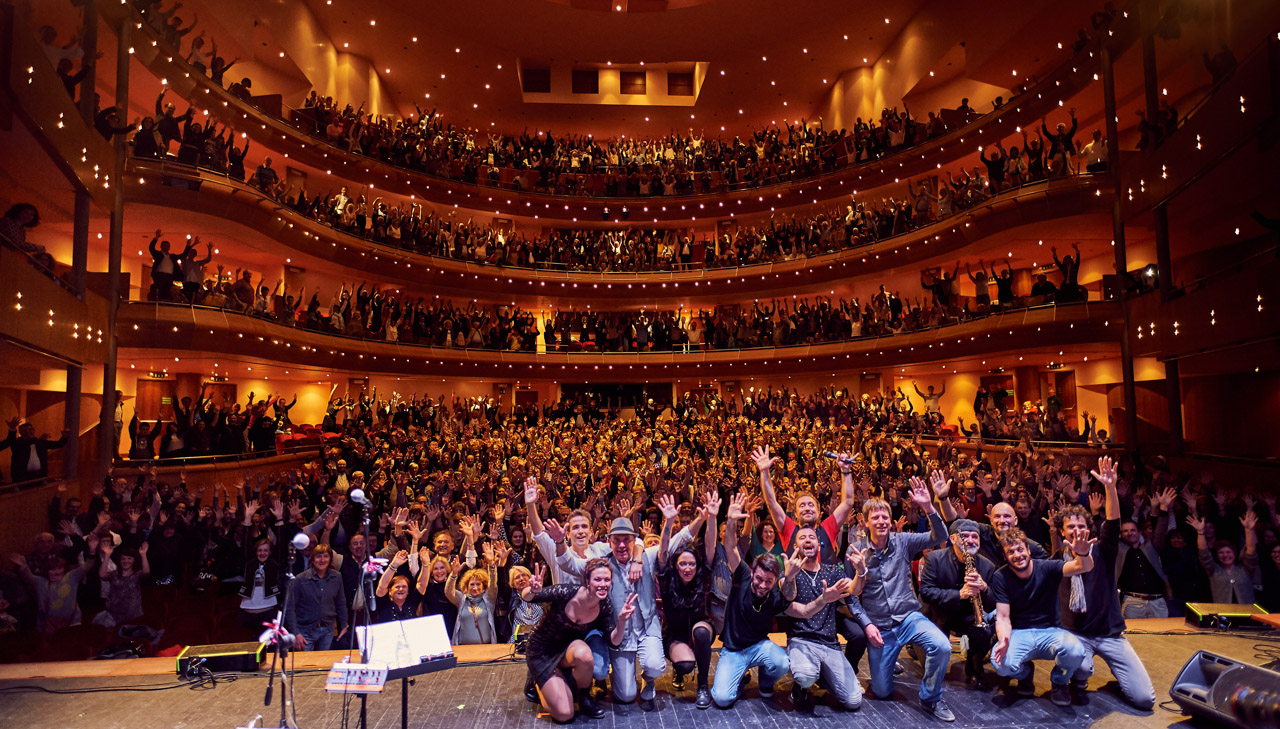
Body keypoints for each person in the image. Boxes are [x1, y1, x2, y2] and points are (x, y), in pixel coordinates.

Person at [558, 494, 696, 711]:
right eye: (617, 540)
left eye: (627, 540)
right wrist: (559, 542)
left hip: (647, 628)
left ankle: (648, 679)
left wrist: (674, 521)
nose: (622, 545)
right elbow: (571, 566)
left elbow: (676, 542)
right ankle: (619, 676)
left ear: (634, 540)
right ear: (609, 542)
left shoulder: (646, 557)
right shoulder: (603, 565)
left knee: (654, 665)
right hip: (620, 635)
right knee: (625, 696)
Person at [1057, 456, 1156, 710]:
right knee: (1081, 666)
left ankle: (1119, 680)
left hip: (1111, 635)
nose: (1076, 531)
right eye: (1070, 527)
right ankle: (1076, 683)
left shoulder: (1104, 550)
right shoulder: (1057, 562)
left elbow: (1112, 521)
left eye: (1081, 526)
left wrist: (1110, 488)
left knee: (1144, 700)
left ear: (1089, 530)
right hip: (1078, 635)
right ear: (1062, 533)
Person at [856, 471, 953, 721]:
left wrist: (929, 507)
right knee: (881, 691)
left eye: (885, 516)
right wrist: (866, 625)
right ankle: (889, 665)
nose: (881, 521)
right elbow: (849, 597)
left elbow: (940, 537)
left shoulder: (903, 541)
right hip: (880, 627)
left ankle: (931, 698)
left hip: (909, 618)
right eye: (875, 517)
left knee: (941, 645)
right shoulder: (856, 550)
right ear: (864, 521)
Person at [709, 492, 798, 709]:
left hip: (759, 646)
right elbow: (730, 547)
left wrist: (794, 578)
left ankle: (766, 685)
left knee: (781, 662)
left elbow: (794, 601)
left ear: (775, 579)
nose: (762, 585)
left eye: (768, 581)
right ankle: (737, 680)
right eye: (759, 578)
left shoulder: (776, 592)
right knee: (722, 699)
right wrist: (731, 520)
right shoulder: (743, 575)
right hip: (733, 649)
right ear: (753, 572)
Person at [990, 526, 1095, 706]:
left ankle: (1059, 682)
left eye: (1020, 549)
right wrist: (1004, 639)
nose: (1017, 555)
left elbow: (1082, 567)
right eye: (1011, 552)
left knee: (1076, 652)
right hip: (1019, 633)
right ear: (1005, 556)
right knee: (1000, 664)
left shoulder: (1047, 567)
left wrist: (1084, 555)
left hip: (1051, 631)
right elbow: (1003, 617)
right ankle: (1025, 674)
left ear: (1028, 550)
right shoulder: (1001, 576)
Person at [521, 559, 638, 722]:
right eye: (598, 579)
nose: (603, 584)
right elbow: (528, 597)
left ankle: (584, 697)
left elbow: (614, 641)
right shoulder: (566, 593)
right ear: (587, 581)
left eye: (607, 579)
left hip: (567, 650)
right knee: (564, 714)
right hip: (541, 651)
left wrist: (622, 622)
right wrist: (532, 590)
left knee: (584, 653)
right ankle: (537, 681)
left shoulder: (604, 605)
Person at [786, 524, 868, 712]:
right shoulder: (791, 571)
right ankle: (803, 683)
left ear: (819, 544)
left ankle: (824, 676)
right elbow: (787, 594)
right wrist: (790, 577)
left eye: (812, 537)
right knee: (806, 676)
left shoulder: (832, 571)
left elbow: (854, 589)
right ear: (795, 546)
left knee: (854, 701)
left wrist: (861, 572)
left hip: (829, 644)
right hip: (801, 640)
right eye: (802, 537)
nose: (808, 539)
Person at [656, 491, 720, 708]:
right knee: (685, 665)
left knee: (701, 632)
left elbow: (710, 546)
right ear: (676, 565)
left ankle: (703, 686)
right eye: (683, 564)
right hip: (674, 634)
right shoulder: (667, 577)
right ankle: (679, 667)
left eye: (691, 564)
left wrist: (711, 518)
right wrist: (668, 522)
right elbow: (663, 551)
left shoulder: (702, 574)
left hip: (699, 627)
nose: (688, 568)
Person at [919, 518, 998, 690]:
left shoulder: (988, 566)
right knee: (933, 661)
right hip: (939, 613)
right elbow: (926, 592)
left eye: (974, 536)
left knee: (984, 632)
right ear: (953, 539)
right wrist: (959, 594)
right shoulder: (934, 559)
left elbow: (993, 603)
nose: (970, 540)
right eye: (965, 536)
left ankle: (974, 665)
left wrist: (984, 588)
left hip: (968, 615)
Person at [285, 543, 347, 651]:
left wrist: (344, 625)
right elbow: (290, 608)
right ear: (312, 559)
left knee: (324, 665)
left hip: (328, 629)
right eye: (318, 557)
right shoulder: (300, 579)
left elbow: (341, 603)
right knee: (306, 666)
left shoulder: (337, 577)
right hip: (305, 631)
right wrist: (296, 633)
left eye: (326, 556)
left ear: (330, 559)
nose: (322, 560)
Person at [1189, 509, 1258, 604]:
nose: (1225, 555)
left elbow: (1251, 550)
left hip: (1248, 614)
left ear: (1234, 553)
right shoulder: (1213, 569)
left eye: (1228, 552)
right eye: (1221, 552)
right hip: (1223, 615)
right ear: (1217, 555)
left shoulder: (1246, 568)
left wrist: (1249, 530)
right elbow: (1204, 553)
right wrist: (1201, 533)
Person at [1, 418, 69, 483]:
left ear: (34, 430)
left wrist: (64, 437)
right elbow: (12, 442)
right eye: (24, 430)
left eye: (30, 429)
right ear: (20, 433)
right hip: (22, 478)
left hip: (39, 476)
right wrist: (12, 429)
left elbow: (58, 444)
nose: (28, 432)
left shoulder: (40, 441)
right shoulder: (18, 443)